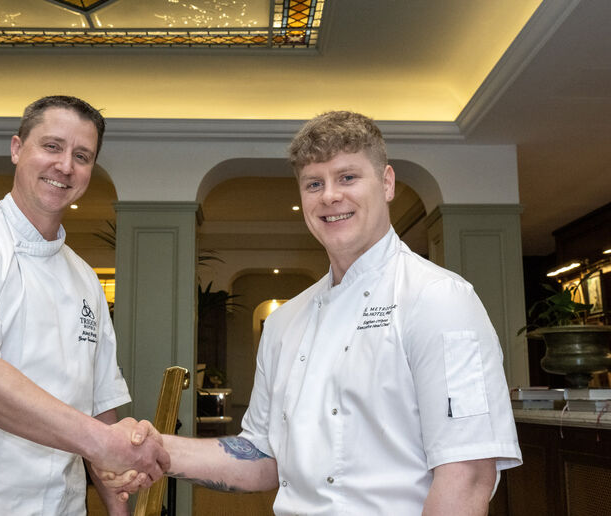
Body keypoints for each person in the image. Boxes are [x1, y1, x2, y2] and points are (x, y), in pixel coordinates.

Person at [106, 110, 522, 515]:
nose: (329, 196)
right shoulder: (287, 321)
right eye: (313, 183)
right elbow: (265, 456)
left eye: (348, 177)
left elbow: (467, 474)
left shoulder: (441, 299)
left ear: (387, 182)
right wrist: (159, 448)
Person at [0, 96, 168, 516]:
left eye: (82, 156)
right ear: (18, 148)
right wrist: (102, 442)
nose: (65, 166)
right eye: (51, 147)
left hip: (60, 504)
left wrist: (118, 506)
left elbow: (100, 405)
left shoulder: (85, 278)